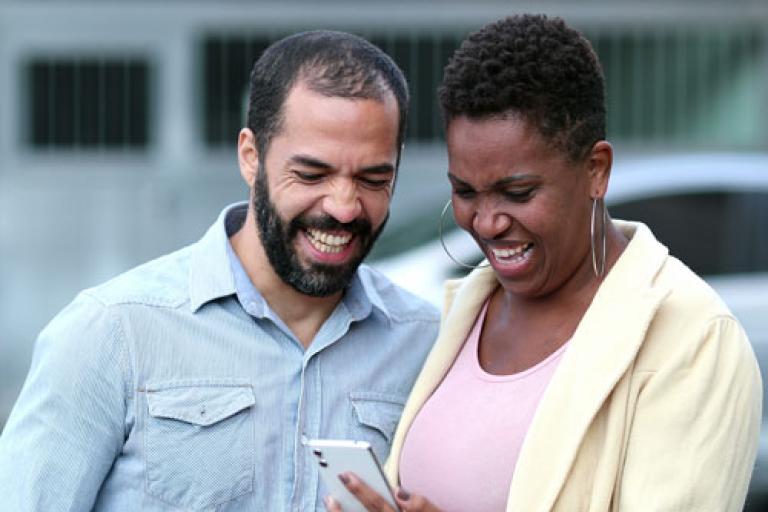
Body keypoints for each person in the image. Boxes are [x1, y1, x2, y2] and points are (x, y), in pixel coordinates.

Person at [328, 15, 762, 512]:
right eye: (465, 192)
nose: (486, 223)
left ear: (596, 170)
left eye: (518, 192)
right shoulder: (468, 305)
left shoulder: (692, 339)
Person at [0, 30, 439, 511]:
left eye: (373, 179)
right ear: (251, 156)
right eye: (312, 174)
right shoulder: (112, 333)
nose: (343, 206)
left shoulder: (428, 347)